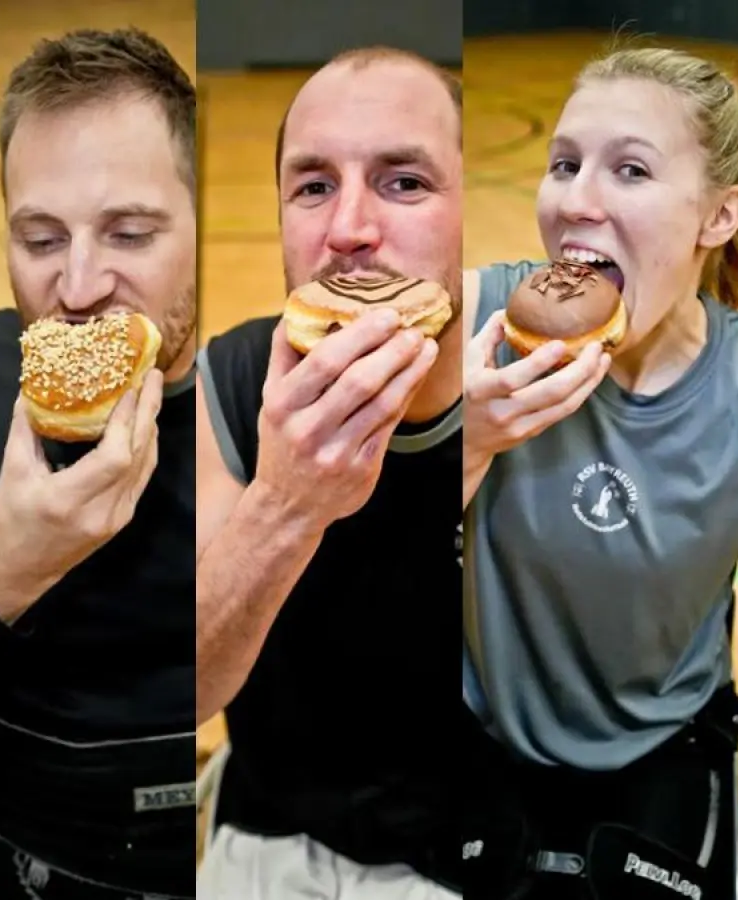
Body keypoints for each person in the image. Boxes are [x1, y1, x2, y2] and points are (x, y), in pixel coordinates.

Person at [459, 43, 738, 900]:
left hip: (665, 746)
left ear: (719, 215)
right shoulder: (473, 326)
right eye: (564, 165)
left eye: (630, 170)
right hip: (482, 738)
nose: (577, 201)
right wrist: (462, 444)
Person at [193, 46, 465, 899]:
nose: (348, 227)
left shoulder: (536, 383)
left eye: (403, 183)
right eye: (313, 187)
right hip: (273, 824)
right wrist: (284, 504)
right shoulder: (230, 379)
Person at [0, 28, 196, 900]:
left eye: (130, 234)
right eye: (41, 242)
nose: (78, 290)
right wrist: (6, 572)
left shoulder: (273, 415)